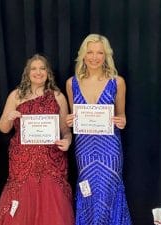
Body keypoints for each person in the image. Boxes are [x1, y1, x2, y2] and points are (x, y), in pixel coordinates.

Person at [0, 54, 74, 225]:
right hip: (23, 160)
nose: (38, 72)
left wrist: (67, 141)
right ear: (27, 73)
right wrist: (9, 117)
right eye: (34, 69)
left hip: (51, 161)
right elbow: (3, 127)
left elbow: (66, 131)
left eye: (42, 68)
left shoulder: (58, 96)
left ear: (48, 72)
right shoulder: (16, 95)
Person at [65, 34, 132, 225]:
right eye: (90, 52)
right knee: (88, 190)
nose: (94, 57)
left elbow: (123, 117)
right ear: (83, 55)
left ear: (106, 55)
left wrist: (121, 122)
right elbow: (74, 117)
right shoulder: (72, 83)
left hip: (109, 147)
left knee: (109, 189)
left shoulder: (117, 82)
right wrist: (70, 120)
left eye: (99, 53)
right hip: (84, 148)